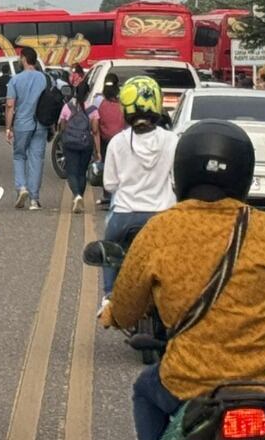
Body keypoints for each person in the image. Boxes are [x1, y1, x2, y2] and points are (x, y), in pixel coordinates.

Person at [105, 122, 265, 440]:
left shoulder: (159, 231)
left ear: (182, 171)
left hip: (187, 385)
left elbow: (125, 309)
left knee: (145, 390)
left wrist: (114, 316)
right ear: (244, 174)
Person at [98, 75, 177, 310]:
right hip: (164, 215)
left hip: (124, 216)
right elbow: (177, 180)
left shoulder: (117, 142)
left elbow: (110, 185)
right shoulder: (173, 140)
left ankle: (110, 297)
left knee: (109, 249)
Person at [5, 46, 50, 210]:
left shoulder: (15, 80)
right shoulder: (44, 78)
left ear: (23, 59)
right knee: (36, 159)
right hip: (40, 124)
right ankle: (34, 199)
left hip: (22, 124)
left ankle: (21, 187)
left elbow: (10, 106)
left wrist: (8, 128)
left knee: (19, 156)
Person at [57, 88, 100, 214]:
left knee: (71, 172)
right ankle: (79, 196)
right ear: (87, 95)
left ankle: (77, 196)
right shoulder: (92, 109)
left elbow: (62, 126)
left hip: (70, 144)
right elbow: (95, 130)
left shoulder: (67, 107)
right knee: (82, 173)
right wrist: (98, 152)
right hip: (86, 144)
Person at [92, 74, 128, 209]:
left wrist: (96, 148)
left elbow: (95, 126)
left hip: (105, 140)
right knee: (121, 169)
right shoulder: (122, 102)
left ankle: (107, 196)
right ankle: (118, 196)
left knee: (108, 168)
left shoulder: (98, 101)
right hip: (121, 140)